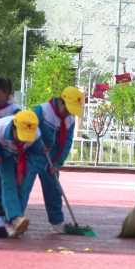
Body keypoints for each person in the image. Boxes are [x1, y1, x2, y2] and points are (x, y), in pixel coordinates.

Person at [29, 87, 84, 233]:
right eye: (67, 109)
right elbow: (28, 130)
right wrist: (37, 145)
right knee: (23, 187)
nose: (68, 113)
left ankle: (57, 222)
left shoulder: (70, 120)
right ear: (61, 101)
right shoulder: (41, 111)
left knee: (54, 189)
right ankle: (15, 218)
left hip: (51, 160)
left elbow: (67, 142)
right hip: (33, 156)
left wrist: (58, 163)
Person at [0, 110, 43, 238]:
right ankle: (15, 218)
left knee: (24, 186)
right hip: (5, 155)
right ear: (14, 127)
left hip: (26, 156)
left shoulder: (36, 134)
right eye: (21, 136)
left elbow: (38, 152)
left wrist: (33, 168)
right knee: (9, 183)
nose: (23, 140)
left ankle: (16, 218)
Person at [0, 77, 21, 211]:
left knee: (7, 179)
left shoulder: (15, 110)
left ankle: (6, 206)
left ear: (7, 93)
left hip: (10, 150)